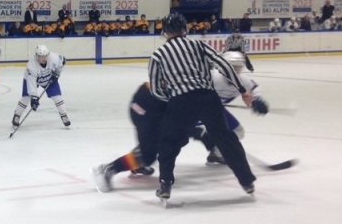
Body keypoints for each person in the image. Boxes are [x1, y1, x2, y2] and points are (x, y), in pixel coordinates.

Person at [147, 13, 256, 202]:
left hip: (180, 100)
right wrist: (242, 90)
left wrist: (173, 99)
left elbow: (156, 89)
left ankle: (165, 184)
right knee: (226, 139)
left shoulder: (158, 55)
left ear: (164, 32)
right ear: (185, 29)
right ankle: (247, 182)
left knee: (168, 142)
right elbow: (224, 65)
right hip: (208, 98)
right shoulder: (198, 45)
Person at [91, 82, 166, 192]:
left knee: (162, 139)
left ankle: (138, 163)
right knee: (149, 154)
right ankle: (108, 169)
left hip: (144, 101)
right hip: (149, 108)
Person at [195, 51, 268, 164]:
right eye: (233, 67)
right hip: (197, 110)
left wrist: (257, 100)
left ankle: (217, 154)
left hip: (217, 111)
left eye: (238, 67)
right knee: (201, 131)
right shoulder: (211, 77)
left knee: (238, 132)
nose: (235, 70)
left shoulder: (243, 81)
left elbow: (254, 88)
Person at [12, 45, 69, 128]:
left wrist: (57, 73)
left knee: (57, 97)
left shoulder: (54, 58)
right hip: (33, 80)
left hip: (48, 77)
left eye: (45, 56)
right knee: (26, 98)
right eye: (41, 56)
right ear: (37, 56)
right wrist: (34, 97)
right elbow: (31, 82)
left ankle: (64, 115)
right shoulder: (31, 65)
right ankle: (17, 115)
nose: (44, 58)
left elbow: (63, 61)